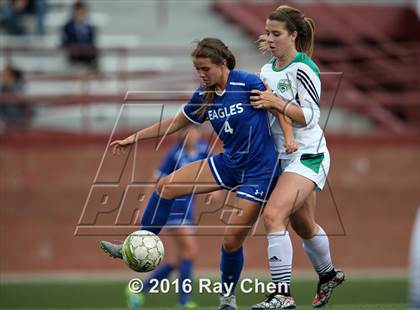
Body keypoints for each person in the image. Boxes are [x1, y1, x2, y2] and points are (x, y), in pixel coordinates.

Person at [100, 37, 280, 310]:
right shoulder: (204, 95)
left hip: (259, 171)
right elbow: (174, 123)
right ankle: (134, 246)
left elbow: (279, 109)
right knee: (165, 186)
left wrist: (290, 140)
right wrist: (133, 138)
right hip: (229, 164)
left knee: (231, 242)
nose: (201, 74)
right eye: (197, 69)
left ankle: (227, 300)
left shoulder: (247, 83)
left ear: (222, 64)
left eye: (205, 68)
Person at [249, 5, 344, 309]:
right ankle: (328, 275)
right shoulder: (266, 71)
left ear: (293, 35)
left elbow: (311, 117)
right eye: (268, 33)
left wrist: (275, 101)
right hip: (283, 157)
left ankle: (282, 294)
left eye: (276, 34)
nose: (270, 39)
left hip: (309, 155)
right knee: (304, 226)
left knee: (273, 216)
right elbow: (275, 113)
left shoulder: (304, 68)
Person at [124, 126, 209, 309]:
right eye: (187, 132)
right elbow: (155, 179)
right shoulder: (174, 154)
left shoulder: (203, 149)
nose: (191, 135)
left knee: (181, 259)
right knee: (191, 252)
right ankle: (184, 302)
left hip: (189, 209)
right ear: (181, 135)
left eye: (194, 131)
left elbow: (211, 170)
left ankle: (139, 290)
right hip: (173, 207)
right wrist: (144, 206)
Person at [61, 1, 97, 68]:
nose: (82, 13)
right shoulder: (67, 27)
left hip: (87, 57)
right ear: (75, 12)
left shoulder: (90, 27)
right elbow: (64, 42)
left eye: (83, 11)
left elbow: (92, 42)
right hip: (73, 56)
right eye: (80, 11)